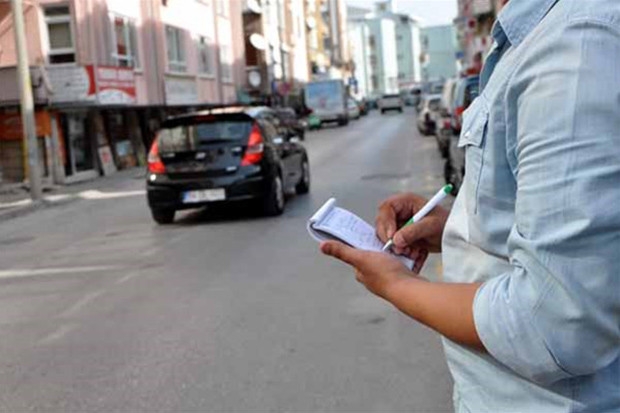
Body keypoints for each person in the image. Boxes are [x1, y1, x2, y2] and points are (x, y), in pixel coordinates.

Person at [320, 1, 620, 411]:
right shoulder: (536, 35)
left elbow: (557, 325)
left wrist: (397, 285)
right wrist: (453, 227)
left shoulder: (575, 44)